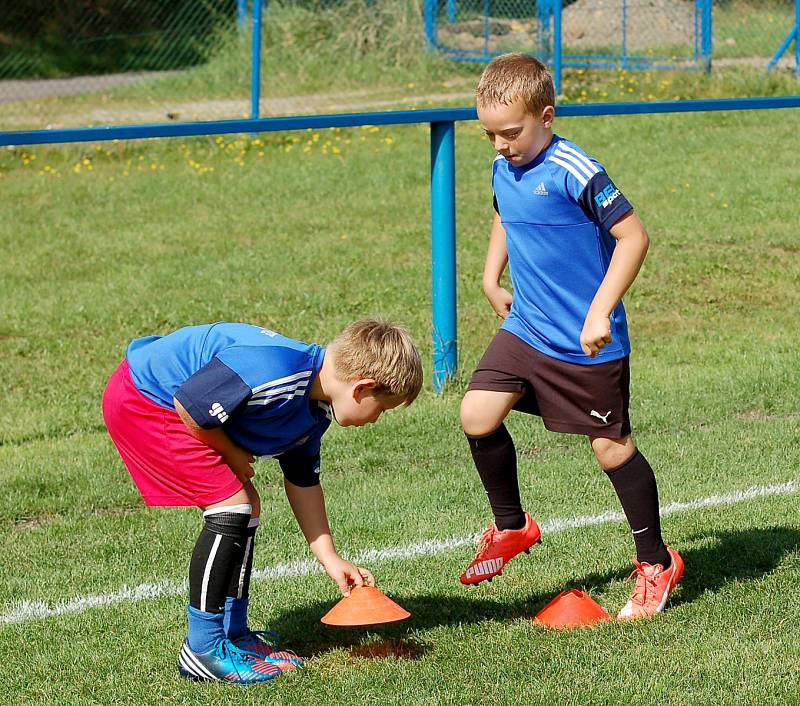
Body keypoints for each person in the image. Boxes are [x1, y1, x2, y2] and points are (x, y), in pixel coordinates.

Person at [459, 53, 682, 619]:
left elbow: (633, 237)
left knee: (610, 449)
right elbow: (504, 215)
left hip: (587, 340)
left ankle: (656, 564)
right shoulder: (502, 166)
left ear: (547, 116)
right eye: (489, 134)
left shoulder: (575, 169)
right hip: (528, 327)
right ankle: (512, 525)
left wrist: (600, 311)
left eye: (511, 132)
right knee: (477, 416)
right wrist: (490, 278)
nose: (500, 145)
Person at [102, 319, 423, 683]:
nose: (377, 420)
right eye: (382, 409)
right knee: (231, 505)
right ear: (362, 388)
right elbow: (191, 407)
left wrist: (331, 559)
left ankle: (234, 634)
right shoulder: (275, 371)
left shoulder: (314, 411)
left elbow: (303, 482)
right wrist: (231, 452)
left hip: (178, 408)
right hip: (145, 397)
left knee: (247, 506)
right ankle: (203, 649)